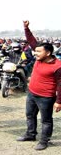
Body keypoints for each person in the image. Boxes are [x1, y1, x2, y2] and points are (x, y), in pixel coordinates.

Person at [16, 20, 61, 151]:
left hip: (46, 98)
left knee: (46, 120)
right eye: (35, 51)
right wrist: (26, 28)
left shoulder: (58, 66)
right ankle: (30, 134)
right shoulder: (39, 58)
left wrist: (59, 101)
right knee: (30, 115)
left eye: (38, 52)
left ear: (48, 53)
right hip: (31, 93)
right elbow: (32, 42)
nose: (35, 53)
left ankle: (44, 140)